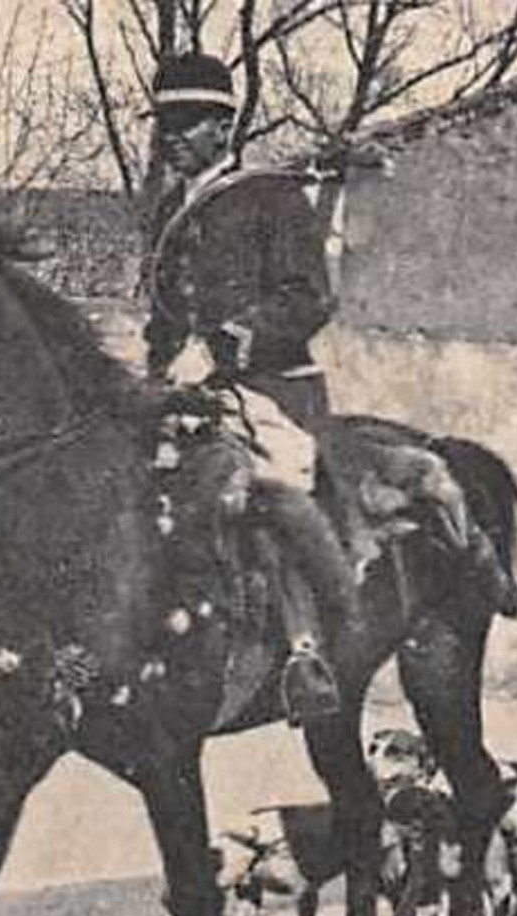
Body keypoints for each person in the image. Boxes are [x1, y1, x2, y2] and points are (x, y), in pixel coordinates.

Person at [144, 52, 354, 725]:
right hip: (190, 396)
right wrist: (157, 375)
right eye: (164, 123)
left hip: (269, 390)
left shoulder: (272, 195)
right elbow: (162, 318)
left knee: (264, 494)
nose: (171, 136)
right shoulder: (170, 209)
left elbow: (309, 298)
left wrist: (225, 344)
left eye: (186, 121)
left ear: (222, 126)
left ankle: (302, 656)